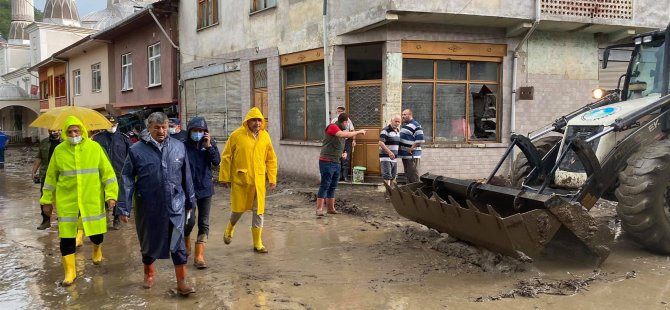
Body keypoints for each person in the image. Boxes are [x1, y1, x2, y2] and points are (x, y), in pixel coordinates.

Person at [117, 112, 196, 295]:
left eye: (164, 127)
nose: (161, 131)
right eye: (157, 128)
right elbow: (127, 177)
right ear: (149, 128)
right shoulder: (136, 150)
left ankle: (182, 282)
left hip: (175, 203)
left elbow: (187, 176)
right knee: (149, 242)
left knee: (178, 243)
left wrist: (190, 201)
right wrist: (124, 207)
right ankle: (149, 274)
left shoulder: (178, 147)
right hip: (148, 205)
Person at [40, 116, 118, 286]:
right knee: (66, 237)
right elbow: (51, 178)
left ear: (82, 131)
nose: (73, 134)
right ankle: (70, 272)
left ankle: (97, 249)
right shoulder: (59, 151)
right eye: (69, 132)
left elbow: (108, 174)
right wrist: (46, 200)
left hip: (91, 199)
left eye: (76, 131)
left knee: (96, 233)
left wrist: (111, 195)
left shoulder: (94, 148)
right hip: (67, 201)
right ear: (64, 133)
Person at [219, 107, 277, 253]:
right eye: (254, 120)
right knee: (238, 210)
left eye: (259, 120)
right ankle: (230, 226)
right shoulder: (236, 135)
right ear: (247, 121)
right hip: (241, 180)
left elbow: (271, 159)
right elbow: (226, 156)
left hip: (258, 180)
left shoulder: (265, 136)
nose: (257, 123)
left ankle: (258, 243)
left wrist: (272, 177)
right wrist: (225, 177)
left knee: (259, 211)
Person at [184, 116, 220, 269]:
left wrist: (209, 146)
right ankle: (186, 239)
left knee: (204, 222)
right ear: (190, 131)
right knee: (189, 221)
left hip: (205, 188)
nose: (198, 133)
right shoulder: (183, 146)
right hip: (188, 189)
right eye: (195, 130)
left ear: (206, 132)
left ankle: (199, 256)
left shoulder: (209, 145)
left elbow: (217, 162)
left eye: (201, 131)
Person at [317, 113, 366, 216]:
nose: (347, 124)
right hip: (326, 161)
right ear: (343, 121)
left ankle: (331, 209)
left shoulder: (341, 131)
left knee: (333, 186)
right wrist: (359, 132)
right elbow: (343, 135)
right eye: (347, 122)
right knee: (325, 184)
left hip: (336, 162)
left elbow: (341, 146)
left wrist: (344, 154)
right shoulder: (332, 127)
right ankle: (319, 209)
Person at [93, 116, 131, 230]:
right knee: (101, 196)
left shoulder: (124, 139)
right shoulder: (97, 139)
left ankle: (116, 218)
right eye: (109, 124)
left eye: (114, 125)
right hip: (101, 173)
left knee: (118, 196)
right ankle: (102, 219)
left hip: (119, 172)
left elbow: (131, 156)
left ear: (118, 125)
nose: (111, 127)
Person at [32, 129, 63, 230]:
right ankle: (46, 221)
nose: (54, 132)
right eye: (51, 130)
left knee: (62, 198)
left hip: (62, 175)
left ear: (60, 130)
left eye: (56, 130)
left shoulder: (66, 142)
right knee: (44, 198)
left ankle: (63, 218)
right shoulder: (44, 142)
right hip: (46, 174)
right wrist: (34, 171)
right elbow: (39, 157)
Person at [398, 109, 425, 183]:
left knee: (412, 174)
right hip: (406, 155)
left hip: (411, 155)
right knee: (408, 174)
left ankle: (416, 191)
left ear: (410, 115)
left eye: (404, 114)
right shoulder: (406, 125)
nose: (402, 116)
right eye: (402, 114)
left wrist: (412, 148)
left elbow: (420, 138)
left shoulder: (416, 125)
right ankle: (411, 191)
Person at [330, 106, 356, 182]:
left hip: (347, 141)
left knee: (346, 159)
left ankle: (345, 176)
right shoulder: (334, 121)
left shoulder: (348, 120)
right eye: (338, 111)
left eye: (341, 111)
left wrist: (354, 140)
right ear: (336, 112)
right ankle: (338, 176)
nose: (340, 113)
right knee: (338, 158)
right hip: (337, 141)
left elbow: (352, 130)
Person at [379, 115, 402, 199]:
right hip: (385, 157)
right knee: (387, 175)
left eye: (399, 122)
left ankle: (389, 192)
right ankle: (387, 194)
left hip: (394, 158)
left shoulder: (398, 131)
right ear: (391, 121)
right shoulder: (385, 130)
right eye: (395, 121)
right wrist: (389, 152)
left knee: (393, 175)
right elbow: (381, 143)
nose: (397, 123)